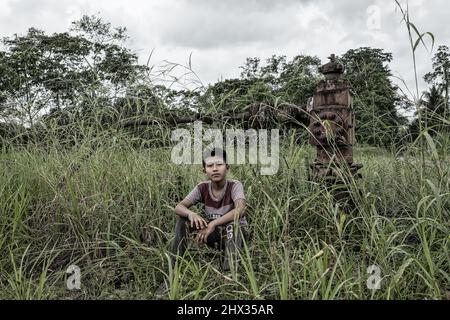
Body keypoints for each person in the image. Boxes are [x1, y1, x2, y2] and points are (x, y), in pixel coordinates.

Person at [156, 147, 249, 297]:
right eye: (210, 166)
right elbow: (179, 207)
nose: (215, 169)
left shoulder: (234, 185)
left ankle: (229, 278)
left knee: (233, 226)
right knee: (183, 220)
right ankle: (171, 275)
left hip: (236, 236)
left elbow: (240, 210)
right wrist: (191, 213)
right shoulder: (202, 187)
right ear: (204, 170)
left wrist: (213, 223)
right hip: (214, 235)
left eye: (219, 164)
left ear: (227, 167)